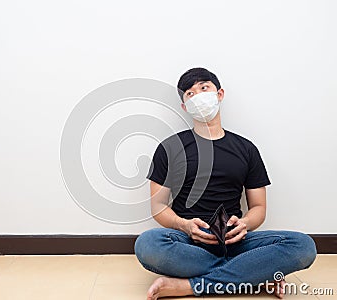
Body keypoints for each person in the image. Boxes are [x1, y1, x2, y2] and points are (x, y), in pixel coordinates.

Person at [134, 68, 317, 300]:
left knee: (303, 246)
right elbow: (158, 207)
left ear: (219, 94)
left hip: (236, 239)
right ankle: (252, 275)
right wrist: (185, 225)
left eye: (204, 88)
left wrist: (245, 224)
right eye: (190, 93)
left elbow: (259, 207)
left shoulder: (246, 149)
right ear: (184, 107)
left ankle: (193, 285)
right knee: (147, 244)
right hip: (188, 242)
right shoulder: (170, 148)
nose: (198, 95)